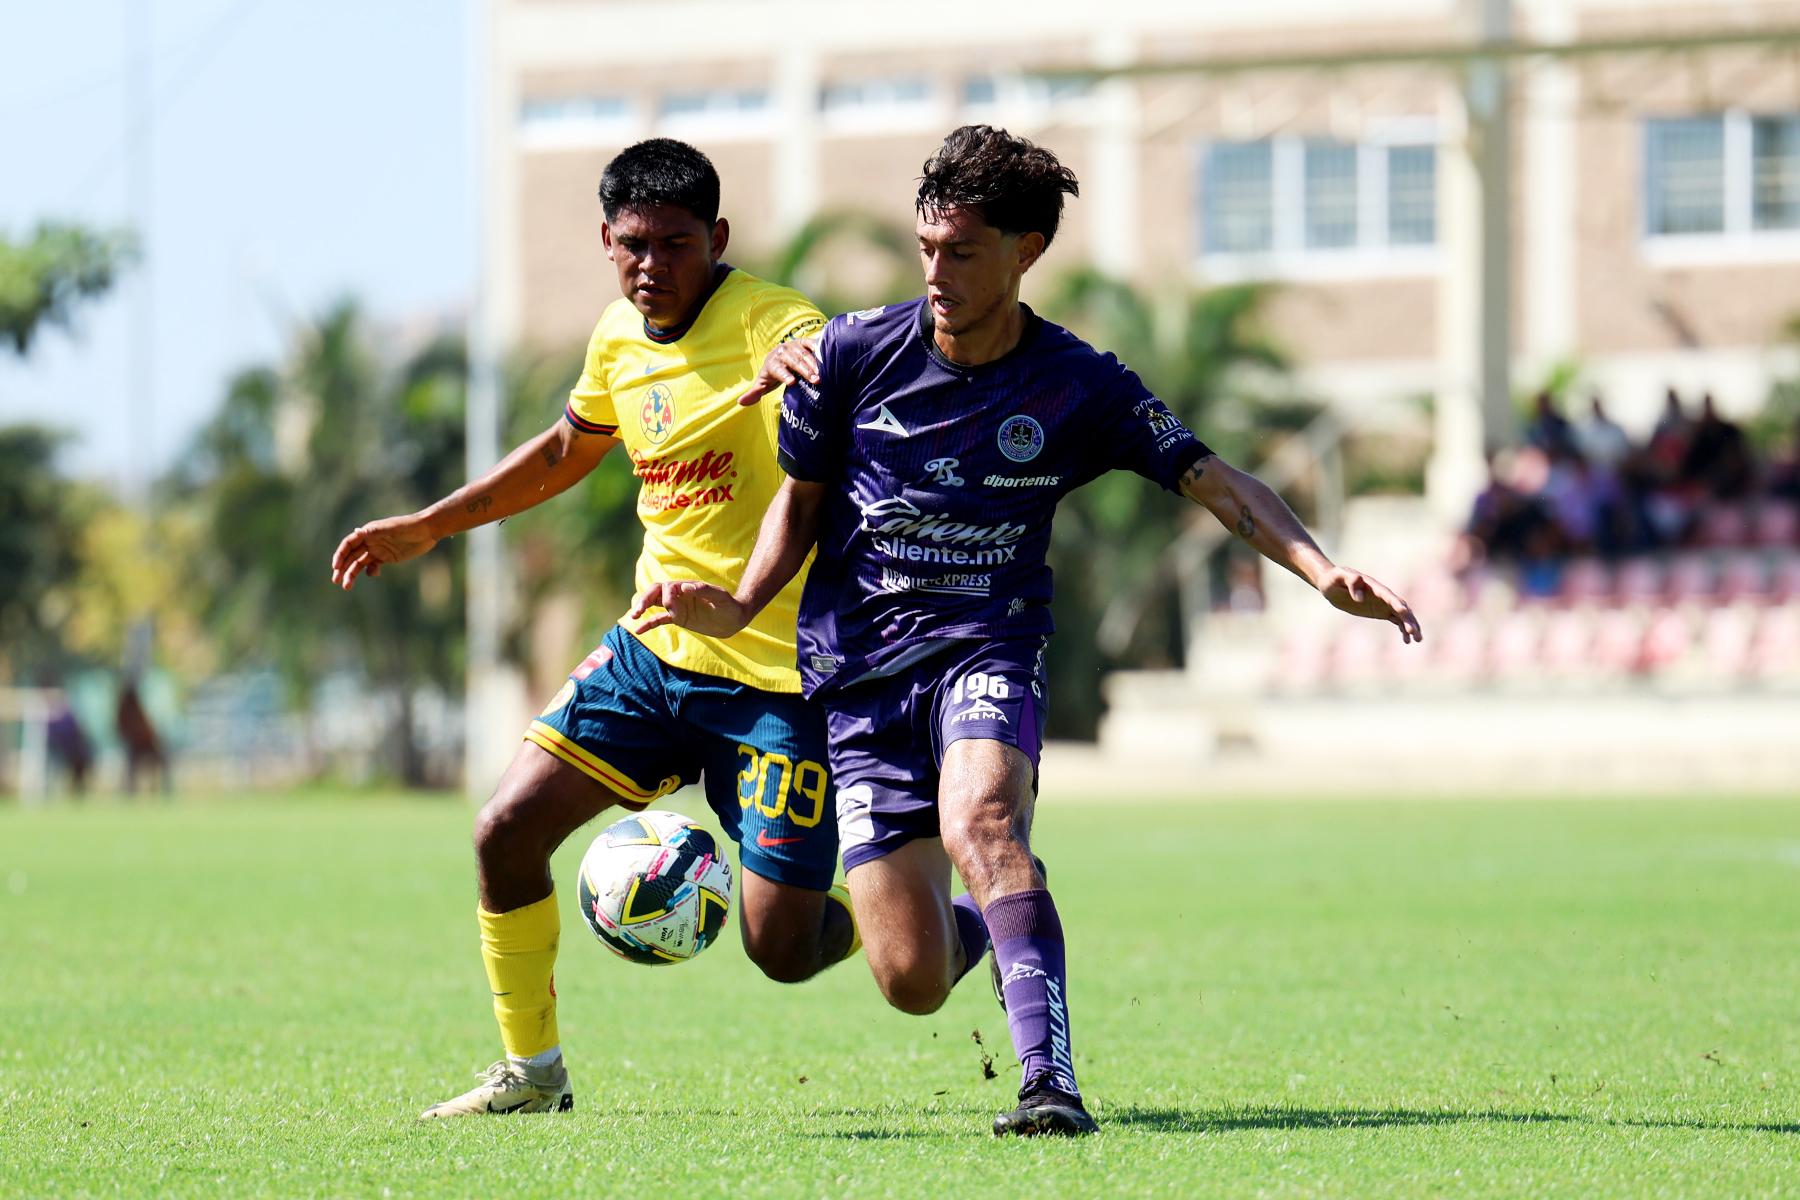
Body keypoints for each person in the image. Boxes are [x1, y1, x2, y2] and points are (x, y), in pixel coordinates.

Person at [632, 125, 1421, 1137]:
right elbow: (798, 505)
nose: (936, 273)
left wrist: (1320, 570)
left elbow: (1218, 481)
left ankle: (1049, 1082)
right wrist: (738, 603)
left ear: (1025, 250)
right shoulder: (852, 355)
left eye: (961, 251)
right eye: (926, 248)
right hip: (861, 676)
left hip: (988, 647)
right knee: (911, 979)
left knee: (983, 826)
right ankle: (990, 926)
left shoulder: (1077, 383)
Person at [329, 139, 857, 1120]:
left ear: (719, 240)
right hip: (653, 657)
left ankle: (891, 921)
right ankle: (533, 1073)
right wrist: (434, 525)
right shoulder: (618, 336)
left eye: (675, 244)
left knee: (783, 949)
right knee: (503, 832)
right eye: (631, 245)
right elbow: (573, 446)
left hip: (779, 684)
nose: (651, 265)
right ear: (606, 243)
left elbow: (822, 351)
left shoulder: (768, 320)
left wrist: (811, 360)